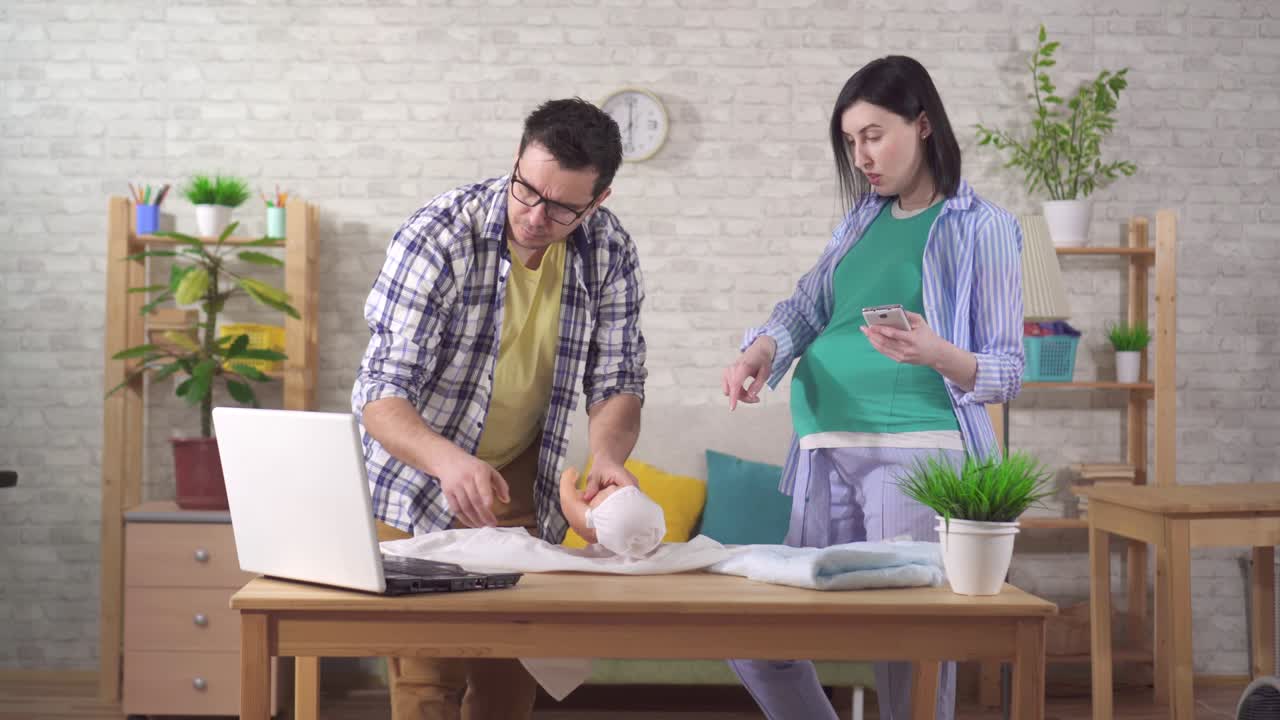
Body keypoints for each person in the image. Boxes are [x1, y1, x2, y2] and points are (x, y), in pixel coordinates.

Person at [720, 55, 1024, 720]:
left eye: (873, 135)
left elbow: (1007, 368)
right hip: (824, 450)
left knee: (907, 652)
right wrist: (762, 350)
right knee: (756, 635)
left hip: (918, 455)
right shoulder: (860, 220)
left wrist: (936, 351)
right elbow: (805, 308)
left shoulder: (984, 227)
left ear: (922, 126)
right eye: (851, 140)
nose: (861, 155)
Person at [351, 97, 648, 720]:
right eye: (527, 190)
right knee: (427, 676)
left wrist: (607, 456)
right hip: (417, 467)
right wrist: (446, 461)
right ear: (516, 160)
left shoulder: (608, 248)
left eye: (563, 206)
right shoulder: (439, 235)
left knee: (511, 672)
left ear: (599, 200)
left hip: (517, 470)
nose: (537, 216)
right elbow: (381, 393)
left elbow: (618, 376)